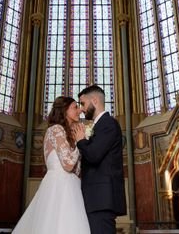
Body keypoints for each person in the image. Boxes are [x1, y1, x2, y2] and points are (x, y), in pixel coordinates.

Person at [12, 97, 90, 234]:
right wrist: (80, 142)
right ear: (64, 111)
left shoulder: (69, 133)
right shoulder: (56, 130)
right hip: (59, 187)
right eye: (75, 107)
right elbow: (68, 165)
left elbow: (77, 169)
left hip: (73, 186)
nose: (79, 111)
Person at [72, 85, 126, 234]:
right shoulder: (99, 125)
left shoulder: (108, 124)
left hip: (101, 199)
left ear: (94, 100)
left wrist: (81, 141)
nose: (81, 109)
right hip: (96, 198)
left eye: (83, 103)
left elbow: (94, 156)